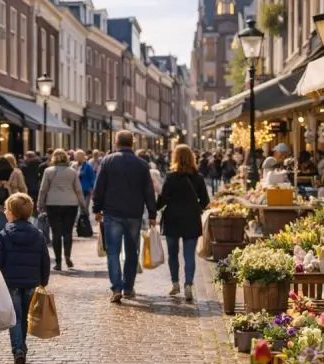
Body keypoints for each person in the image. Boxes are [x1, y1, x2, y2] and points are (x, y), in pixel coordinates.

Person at [92, 130, 157, 303]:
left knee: (113, 252)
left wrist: (96, 209)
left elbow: (99, 188)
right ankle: (128, 287)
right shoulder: (142, 165)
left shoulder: (107, 161)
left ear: (116, 142)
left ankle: (116, 288)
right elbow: (149, 191)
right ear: (132, 143)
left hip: (112, 213)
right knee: (131, 251)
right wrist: (152, 213)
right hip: (134, 214)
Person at [0, 193, 51, 364]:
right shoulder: (38, 234)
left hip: (11, 283)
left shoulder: (5, 234)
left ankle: (18, 350)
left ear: (12, 214)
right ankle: (22, 347)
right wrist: (43, 280)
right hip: (32, 282)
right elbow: (45, 260)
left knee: (15, 318)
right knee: (25, 317)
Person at [157, 145, 210, 302]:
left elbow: (163, 199)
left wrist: (155, 208)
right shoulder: (198, 178)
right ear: (192, 158)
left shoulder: (170, 177)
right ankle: (188, 284)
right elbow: (205, 201)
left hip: (172, 219)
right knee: (189, 255)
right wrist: (196, 208)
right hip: (191, 219)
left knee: (173, 254)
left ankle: (175, 283)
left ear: (175, 157)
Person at [38, 149, 86, 270]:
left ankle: (58, 261)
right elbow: (78, 190)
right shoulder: (72, 172)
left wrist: (40, 204)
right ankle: (67, 255)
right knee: (68, 232)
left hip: (53, 203)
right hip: (70, 204)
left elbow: (43, 189)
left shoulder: (48, 171)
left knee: (56, 233)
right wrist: (83, 205)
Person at [0, 156, 28, 233]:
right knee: (15, 224)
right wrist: (25, 201)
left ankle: (2, 242)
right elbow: (23, 188)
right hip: (16, 202)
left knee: (1, 226)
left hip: (1, 203)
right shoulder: (17, 173)